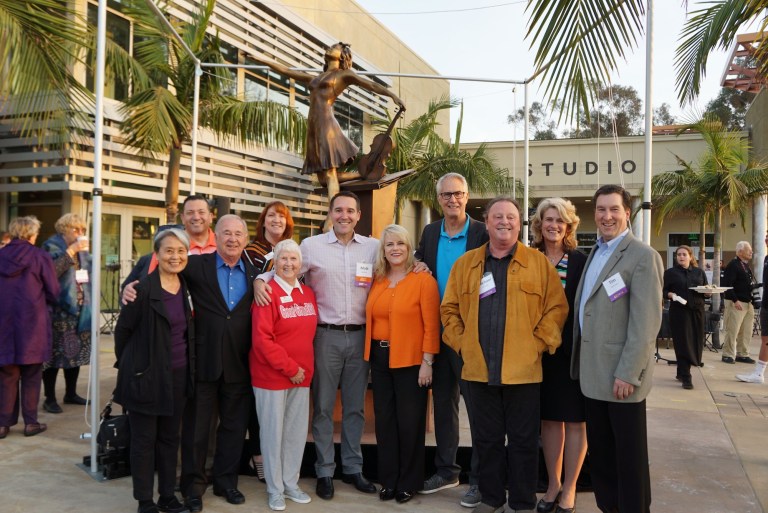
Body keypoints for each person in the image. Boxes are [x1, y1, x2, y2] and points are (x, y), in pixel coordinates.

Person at [442, 197, 568, 513]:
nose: (504, 222)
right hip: (477, 371)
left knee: (525, 443)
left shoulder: (538, 264)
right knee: (487, 441)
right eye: (498, 216)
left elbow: (557, 308)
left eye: (511, 217)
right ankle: (491, 498)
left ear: (520, 223)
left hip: (524, 372)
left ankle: (522, 502)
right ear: (487, 223)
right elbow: (449, 309)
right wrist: (463, 344)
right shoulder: (466, 264)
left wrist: (537, 344)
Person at [124, 214, 256, 512]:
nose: (233, 239)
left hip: (239, 363)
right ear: (216, 236)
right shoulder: (195, 265)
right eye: (226, 233)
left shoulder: (256, 272)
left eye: (238, 234)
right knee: (197, 430)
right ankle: (193, 487)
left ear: (246, 239)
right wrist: (128, 288)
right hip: (202, 362)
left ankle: (226, 482)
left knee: (233, 429)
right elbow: (157, 275)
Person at [254, 191, 379, 501]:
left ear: (358, 215)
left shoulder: (374, 247)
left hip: (361, 335)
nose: (344, 216)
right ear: (330, 213)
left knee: (354, 408)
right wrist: (260, 279)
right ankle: (324, 470)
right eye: (338, 210)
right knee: (322, 408)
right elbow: (284, 266)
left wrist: (421, 268)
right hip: (325, 336)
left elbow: (398, 265)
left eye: (350, 210)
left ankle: (352, 467)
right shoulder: (311, 246)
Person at [571, 184, 663, 513]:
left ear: (628, 212)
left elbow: (646, 324)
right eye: (600, 210)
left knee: (630, 459)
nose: (606, 216)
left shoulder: (642, 256)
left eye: (613, 209)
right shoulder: (596, 251)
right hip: (593, 374)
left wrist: (628, 372)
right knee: (604, 458)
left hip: (621, 379)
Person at [248, 43, 405, 201]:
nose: (329, 48)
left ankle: (332, 219)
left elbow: (370, 84)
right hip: (313, 127)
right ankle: (360, 174)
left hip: (326, 124)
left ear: (343, 55)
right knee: (323, 180)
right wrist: (263, 60)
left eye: (334, 47)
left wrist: (393, 96)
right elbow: (287, 71)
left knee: (329, 174)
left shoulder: (343, 75)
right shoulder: (316, 78)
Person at [415, 172, 488, 508]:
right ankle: (447, 470)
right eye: (446, 195)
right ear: (439, 199)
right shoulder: (430, 232)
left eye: (457, 194)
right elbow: (420, 264)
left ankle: (481, 479)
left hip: (472, 334)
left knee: (478, 409)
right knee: (444, 406)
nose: (452, 200)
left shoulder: (482, 233)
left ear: (467, 195)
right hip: (439, 332)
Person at [114, 228, 195, 513]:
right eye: (169, 251)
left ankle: (167, 496)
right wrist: (132, 366)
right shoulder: (141, 289)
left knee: (170, 439)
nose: (175, 256)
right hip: (146, 376)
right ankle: (145, 501)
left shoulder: (187, 286)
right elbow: (122, 332)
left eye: (181, 251)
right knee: (144, 441)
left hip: (178, 376)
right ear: (156, 255)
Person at [364, 224, 440, 504]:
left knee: (410, 424)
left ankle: (409, 482)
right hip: (380, 358)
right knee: (384, 423)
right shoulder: (378, 278)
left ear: (409, 249)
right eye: (389, 245)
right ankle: (389, 480)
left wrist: (427, 362)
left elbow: (432, 325)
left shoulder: (423, 280)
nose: (395, 249)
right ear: (382, 251)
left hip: (412, 360)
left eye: (400, 244)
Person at [250, 239, 317, 511]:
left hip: (302, 377)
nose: (288, 264)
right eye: (283, 259)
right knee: (272, 434)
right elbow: (262, 340)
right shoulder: (267, 292)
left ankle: (290, 483)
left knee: (294, 434)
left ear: (301, 264)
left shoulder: (308, 293)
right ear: (274, 263)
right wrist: (291, 369)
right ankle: (274, 489)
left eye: (293, 259)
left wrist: (303, 372)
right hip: (272, 377)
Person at [530, 198, 588, 513]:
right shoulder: (528, 258)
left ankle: (570, 488)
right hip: (538, 354)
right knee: (550, 421)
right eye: (548, 219)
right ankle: (552, 485)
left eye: (560, 221)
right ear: (540, 224)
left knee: (576, 422)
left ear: (568, 227)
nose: (553, 225)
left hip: (572, 353)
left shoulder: (581, 261)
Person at [242, 201, 295, 483]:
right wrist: (259, 280)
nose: (277, 220)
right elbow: (250, 281)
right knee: (257, 399)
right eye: (272, 215)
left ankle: (280, 457)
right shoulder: (251, 252)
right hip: (256, 331)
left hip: (286, 331)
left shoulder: (294, 250)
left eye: (282, 216)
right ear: (263, 221)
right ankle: (258, 455)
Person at [0, 216, 59, 439]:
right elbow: (53, 290)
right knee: (32, 374)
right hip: (32, 324)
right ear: (32, 234)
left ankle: (3, 424)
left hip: (3, 324)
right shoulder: (40, 256)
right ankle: (31, 423)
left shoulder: (1, 255)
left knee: (7, 374)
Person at [41, 213, 92, 414]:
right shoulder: (51, 246)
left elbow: (87, 275)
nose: (80, 234)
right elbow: (50, 272)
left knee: (75, 353)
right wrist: (71, 251)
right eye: (75, 229)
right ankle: (50, 398)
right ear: (64, 229)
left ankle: (70, 393)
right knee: (55, 356)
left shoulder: (82, 250)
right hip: (59, 310)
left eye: (83, 230)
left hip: (80, 308)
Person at [663, 245, 709, 390]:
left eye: (684, 254)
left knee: (695, 341)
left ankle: (680, 371)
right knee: (683, 342)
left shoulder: (699, 272)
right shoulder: (670, 273)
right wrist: (670, 295)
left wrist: (708, 292)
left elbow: (706, 290)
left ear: (690, 256)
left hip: (697, 311)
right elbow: (663, 290)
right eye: (678, 255)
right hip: (679, 312)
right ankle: (686, 376)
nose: (681, 257)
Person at [737, 232, 768, 383]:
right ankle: (758, 373)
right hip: (766, 305)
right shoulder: (767, 259)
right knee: (765, 339)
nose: (766, 238)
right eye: (766, 235)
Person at [721, 241, 757, 365]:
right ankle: (727, 354)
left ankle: (742, 354)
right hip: (736, 302)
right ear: (740, 251)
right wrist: (735, 300)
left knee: (746, 331)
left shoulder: (746, 266)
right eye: (749, 250)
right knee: (733, 330)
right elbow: (727, 285)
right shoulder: (733, 265)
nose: (751, 252)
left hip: (748, 303)